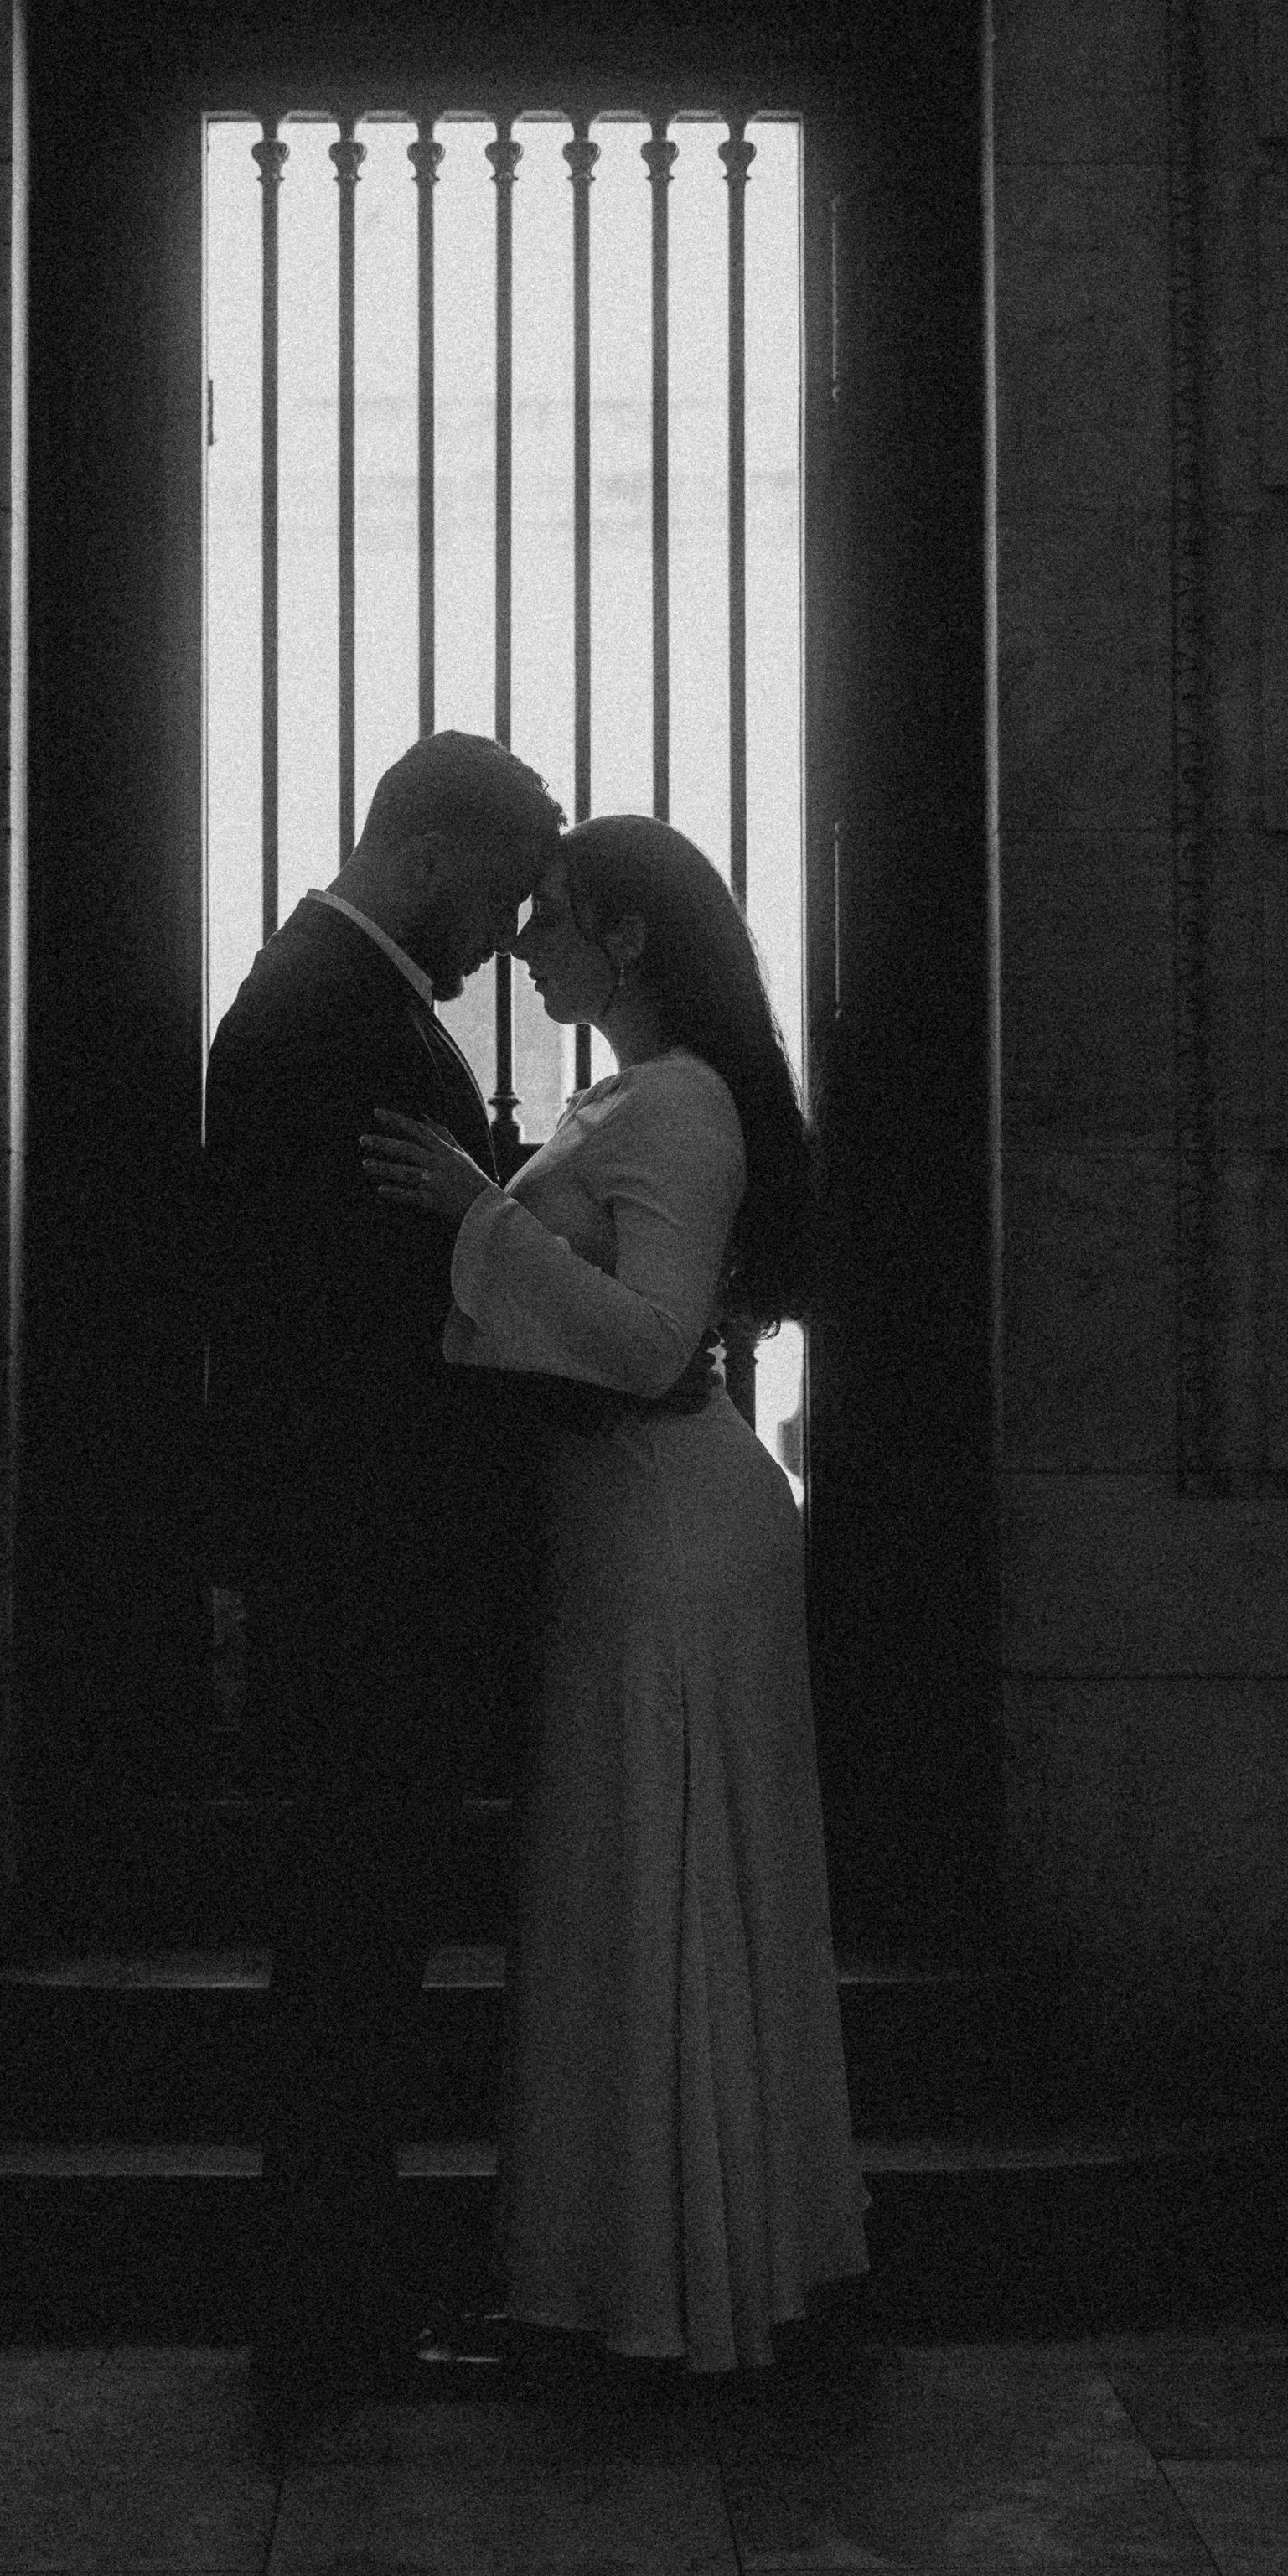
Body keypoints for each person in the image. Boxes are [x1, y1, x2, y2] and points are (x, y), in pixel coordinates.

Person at [361, 814, 869, 2372]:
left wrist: (480, 1214)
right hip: (627, 1529)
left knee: (653, 1888)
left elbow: (651, 1345)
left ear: (631, 938)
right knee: (624, 1889)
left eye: (554, 917)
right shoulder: (640, 1096)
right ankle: (640, 2272)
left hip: (665, 1528)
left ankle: (655, 2286)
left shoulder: (681, 1103)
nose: (524, 943)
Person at [202, 729, 564, 2400]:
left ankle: (332, 2304)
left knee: (354, 1936)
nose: (498, 936)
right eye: (492, 898)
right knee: (353, 1942)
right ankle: (327, 2311)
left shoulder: (332, 1003)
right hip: (367, 1563)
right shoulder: (321, 1017)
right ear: (424, 858)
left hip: (355, 1556)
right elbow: (345, 1321)